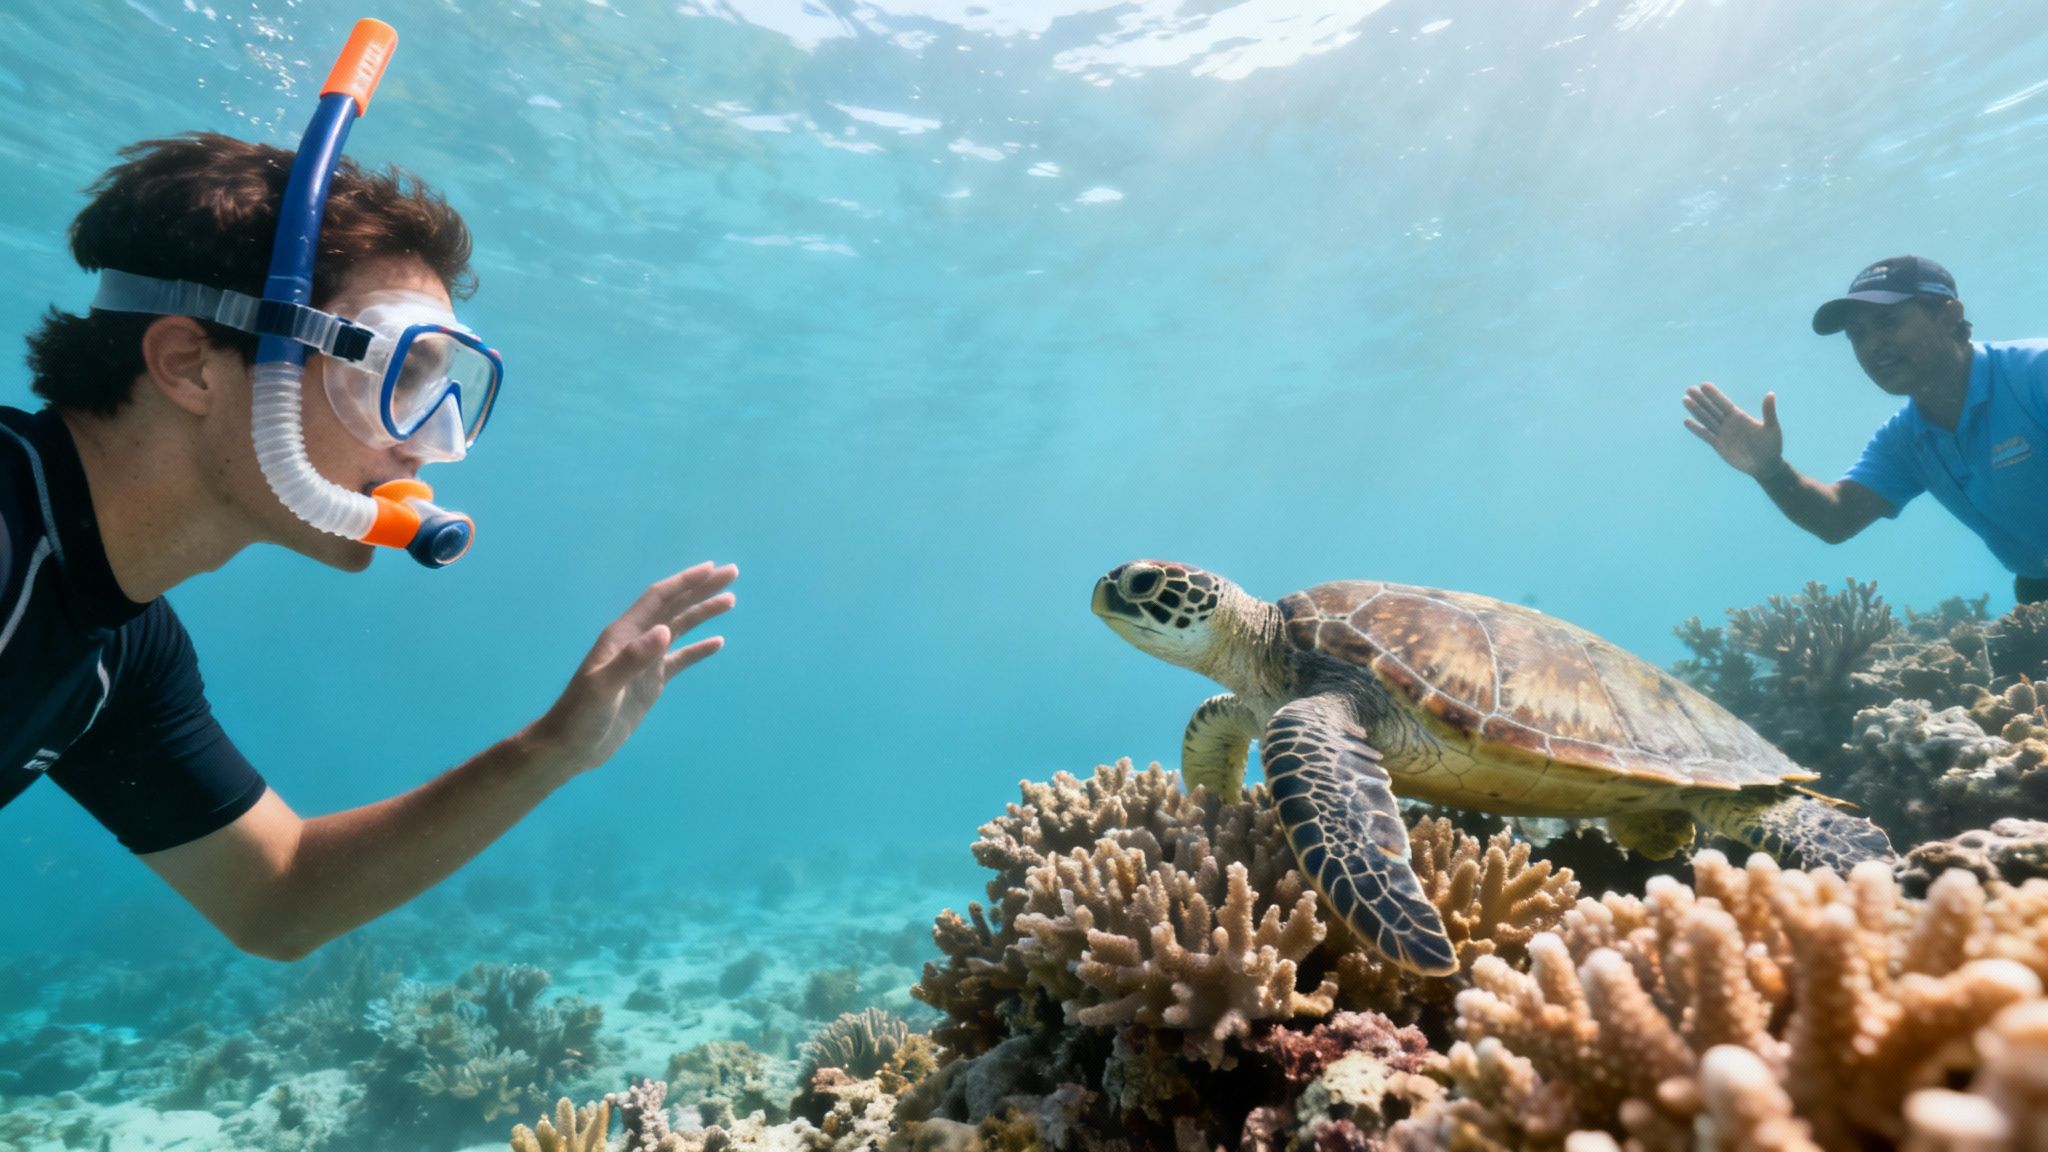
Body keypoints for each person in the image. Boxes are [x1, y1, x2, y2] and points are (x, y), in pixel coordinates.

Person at [2, 78, 734, 959]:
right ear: (191, 364)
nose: (430, 447)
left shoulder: (121, 653)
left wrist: (551, 752)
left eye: (444, 392)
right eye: (391, 376)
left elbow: (279, 896)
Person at [1683, 255, 2048, 605]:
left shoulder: (2037, 373)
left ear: (1949, 316)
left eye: (1888, 322)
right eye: (1857, 334)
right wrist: (1772, 472)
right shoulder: (1904, 440)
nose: (1872, 345)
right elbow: (1837, 519)